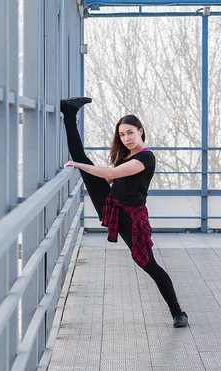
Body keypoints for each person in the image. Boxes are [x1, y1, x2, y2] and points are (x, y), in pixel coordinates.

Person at [61, 96, 188, 328]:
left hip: (131, 215)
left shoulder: (146, 157)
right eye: (122, 135)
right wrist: (82, 165)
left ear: (141, 131)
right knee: (81, 158)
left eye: (130, 133)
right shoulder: (126, 154)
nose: (126, 138)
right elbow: (110, 177)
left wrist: (80, 167)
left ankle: (178, 312)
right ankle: (69, 114)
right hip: (111, 203)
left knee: (148, 264)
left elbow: (110, 175)